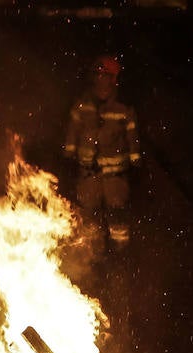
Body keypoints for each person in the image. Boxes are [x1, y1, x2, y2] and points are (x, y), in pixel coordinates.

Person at [63, 55, 141, 254]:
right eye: (96, 74)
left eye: (104, 75)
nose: (99, 79)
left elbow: (132, 134)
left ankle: (121, 254)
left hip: (115, 176)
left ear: (114, 78)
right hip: (88, 173)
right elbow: (73, 131)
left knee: (117, 217)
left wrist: (135, 158)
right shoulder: (83, 104)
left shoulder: (123, 107)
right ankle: (91, 255)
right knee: (89, 216)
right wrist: (69, 154)